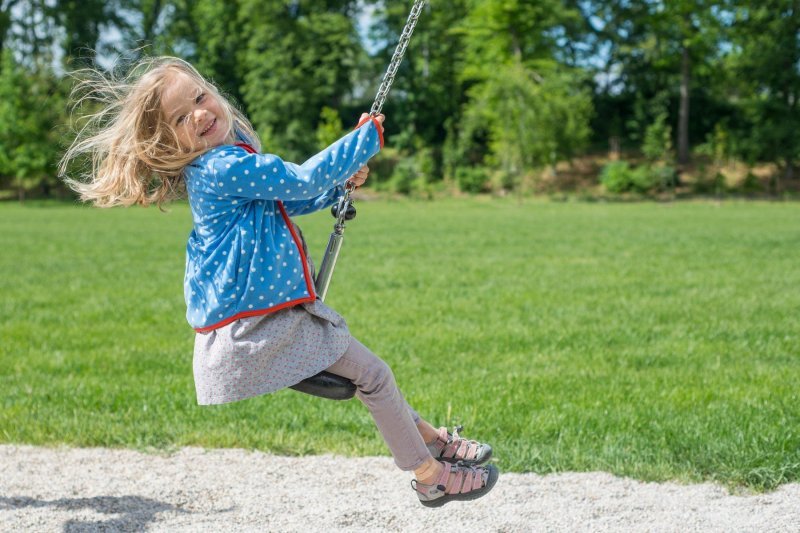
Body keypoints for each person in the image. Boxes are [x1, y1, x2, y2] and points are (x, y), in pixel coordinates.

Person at [60, 56, 499, 507]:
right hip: (259, 327)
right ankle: (430, 476)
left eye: (199, 96)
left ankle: (431, 441)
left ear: (213, 91)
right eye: (179, 117)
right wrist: (364, 140)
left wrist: (337, 189)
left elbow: (290, 199)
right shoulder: (219, 168)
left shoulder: (229, 161)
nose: (200, 112)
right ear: (169, 140)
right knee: (374, 376)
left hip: (268, 316)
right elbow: (303, 178)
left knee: (371, 378)